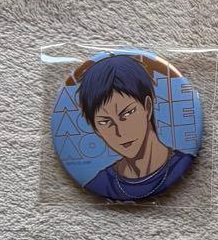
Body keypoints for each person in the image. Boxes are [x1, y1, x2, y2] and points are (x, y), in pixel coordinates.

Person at [77, 54, 195, 201]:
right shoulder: (100, 183)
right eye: (105, 122)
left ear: (147, 107)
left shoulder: (184, 167)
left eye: (127, 113)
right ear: (96, 130)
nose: (120, 132)